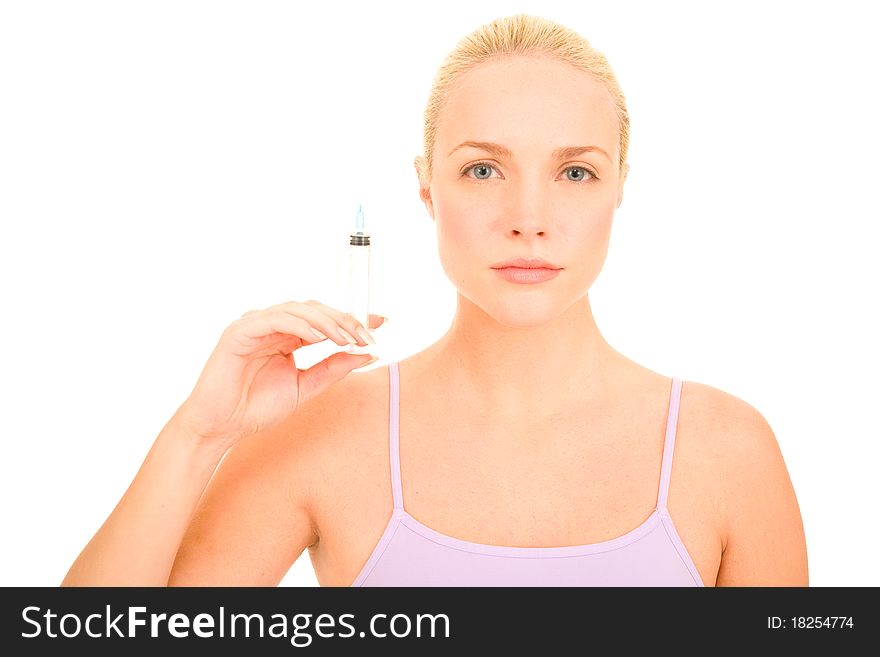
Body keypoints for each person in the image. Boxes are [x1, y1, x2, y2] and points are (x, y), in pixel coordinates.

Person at [62, 13, 808, 587]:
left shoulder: (728, 451)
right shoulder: (321, 433)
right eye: (483, 170)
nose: (528, 216)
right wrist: (197, 436)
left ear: (620, 187)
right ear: (426, 188)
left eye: (574, 172)